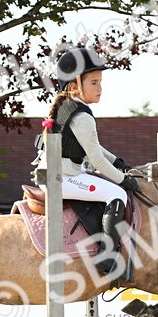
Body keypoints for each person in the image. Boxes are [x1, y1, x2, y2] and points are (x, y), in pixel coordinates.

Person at [35, 45, 140, 279]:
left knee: (111, 188)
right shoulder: (82, 116)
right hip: (63, 179)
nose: (100, 88)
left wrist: (119, 161)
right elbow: (96, 161)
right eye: (94, 83)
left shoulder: (69, 107)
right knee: (117, 195)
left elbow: (94, 148)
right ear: (74, 87)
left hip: (59, 174)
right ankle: (107, 257)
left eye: (100, 82)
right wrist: (124, 180)